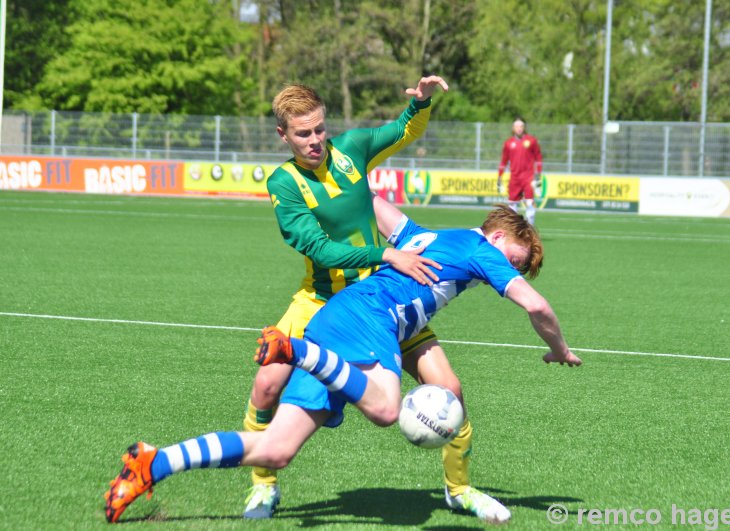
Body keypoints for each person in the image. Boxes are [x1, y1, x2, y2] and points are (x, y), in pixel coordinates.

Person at [103, 205, 582, 525]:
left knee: (276, 450)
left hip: (342, 325)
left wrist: (348, 178)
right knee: (385, 408)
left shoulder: (434, 236)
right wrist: (559, 348)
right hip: (366, 318)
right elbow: (536, 307)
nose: (508, 270)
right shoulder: (481, 249)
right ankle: (294, 352)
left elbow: (372, 200)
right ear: (498, 236)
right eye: (512, 260)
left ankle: (153, 462)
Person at [239, 77, 507, 523]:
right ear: (282, 136)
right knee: (266, 386)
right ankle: (263, 487)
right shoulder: (284, 184)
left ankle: (459, 490)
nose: (315, 141)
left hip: (383, 301)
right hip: (320, 300)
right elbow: (320, 250)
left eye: (320, 129)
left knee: (450, 390)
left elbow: (403, 130)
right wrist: (387, 252)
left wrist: (420, 104)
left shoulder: (352, 149)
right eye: (303, 134)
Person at [497, 117, 543, 226]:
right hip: (515, 178)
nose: (519, 129)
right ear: (513, 128)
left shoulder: (531, 141)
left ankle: (530, 230)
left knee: (530, 203)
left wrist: (538, 174)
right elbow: (504, 161)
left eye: (521, 126)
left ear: (524, 128)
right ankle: (515, 231)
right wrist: (499, 176)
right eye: (517, 126)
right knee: (512, 206)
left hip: (528, 177)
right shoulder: (508, 143)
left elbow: (538, 157)